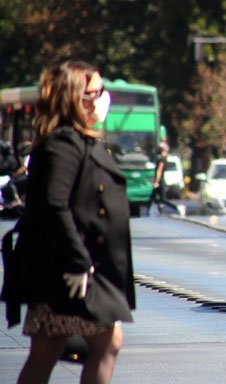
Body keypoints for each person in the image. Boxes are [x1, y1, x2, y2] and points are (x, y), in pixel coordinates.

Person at [15, 60, 136, 383]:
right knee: (105, 341)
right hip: (69, 269)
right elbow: (55, 205)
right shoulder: (64, 143)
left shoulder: (76, 139)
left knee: (47, 350)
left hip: (72, 266)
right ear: (74, 99)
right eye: (95, 92)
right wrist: (78, 261)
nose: (102, 99)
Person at [148, 142, 185, 216]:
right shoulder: (163, 159)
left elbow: (159, 171)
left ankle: (177, 208)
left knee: (161, 199)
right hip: (161, 181)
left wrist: (157, 181)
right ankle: (158, 209)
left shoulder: (161, 160)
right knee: (154, 197)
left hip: (160, 181)